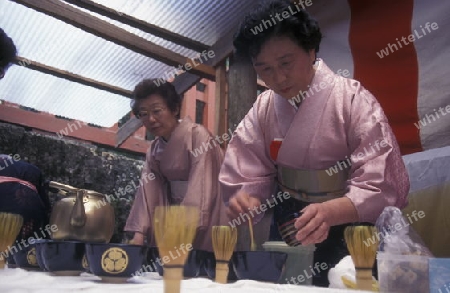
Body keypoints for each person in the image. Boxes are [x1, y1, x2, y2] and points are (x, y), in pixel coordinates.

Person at [219, 0, 409, 287]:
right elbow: (246, 168)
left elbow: (380, 180)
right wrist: (247, 198)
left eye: (285, 63)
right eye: (265, 69)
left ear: (310, 51)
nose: (278, 78)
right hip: (290, 220)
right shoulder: (263, 109)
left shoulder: (352, 99)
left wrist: (333, 211)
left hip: (351, 223)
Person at [124, 79, 228, 252]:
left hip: (207, 212)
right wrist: (139, 234)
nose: (151, 119)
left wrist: (182, 226)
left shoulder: (198, 136)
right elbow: (148, 191)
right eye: (143, 114)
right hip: (173, 215)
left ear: (174, 109)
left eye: (157, 111)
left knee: (200, 267)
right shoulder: (154, 149)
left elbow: (201, 187)